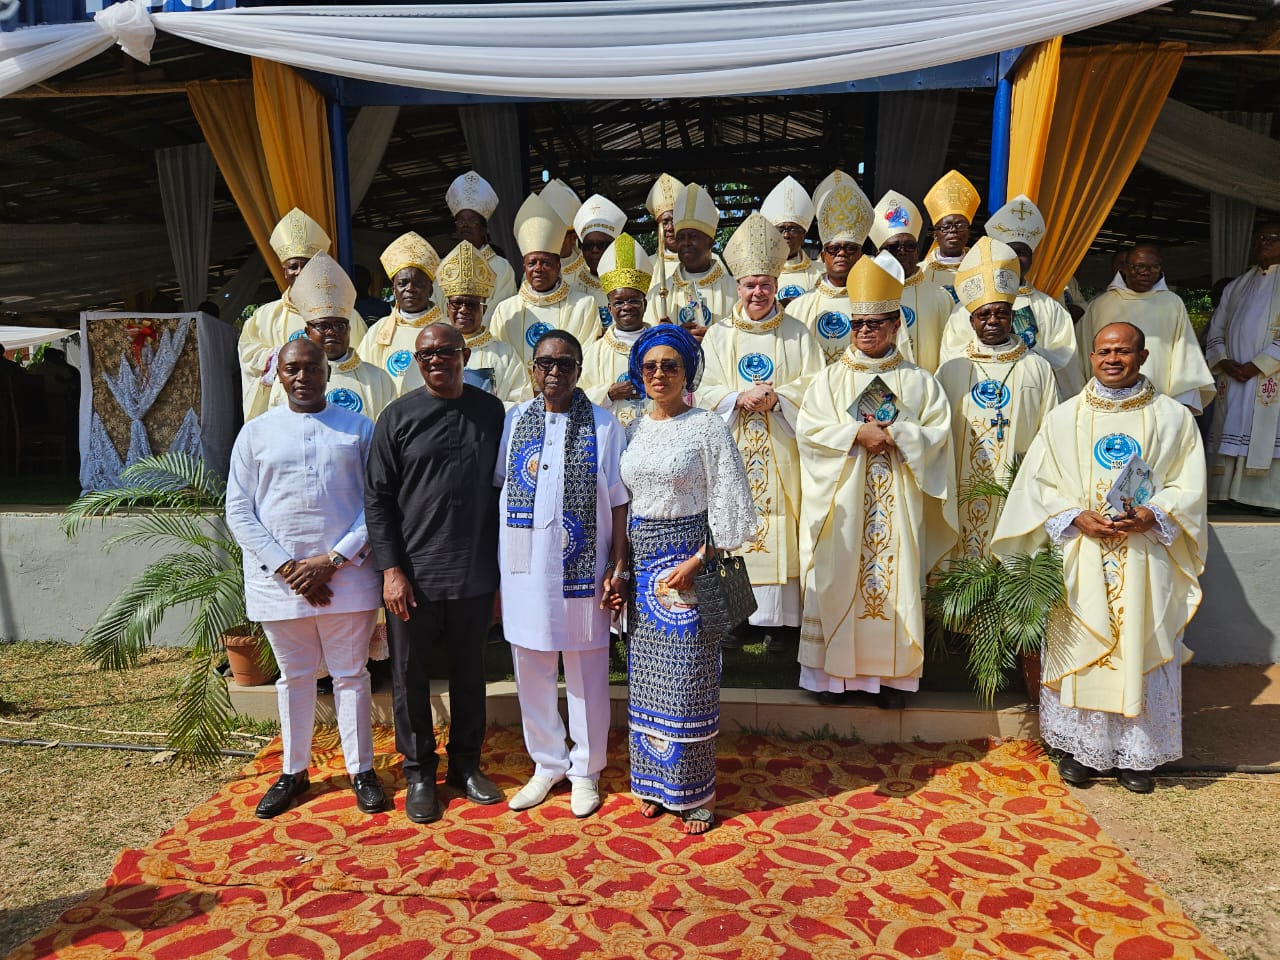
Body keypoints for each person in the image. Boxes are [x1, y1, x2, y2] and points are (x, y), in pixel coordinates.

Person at [992, 322, 1207, 793]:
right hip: (1082, 555)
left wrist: (1156, 511)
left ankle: (1137, 755)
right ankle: (1079, 750)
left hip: (1144, 557)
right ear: (1091, 357)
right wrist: (1074, 516)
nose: (1113, 359)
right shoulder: (1064, 418)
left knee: (1138, 645)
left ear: (1143, 356)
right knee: (1084, 644)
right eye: (1105, 351)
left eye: (1124, 351)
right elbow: (1037, 486)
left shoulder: (1173, 418)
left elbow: (1189, 486)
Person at [226, 337, 385, 819]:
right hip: (280, 582)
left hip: (348, 578)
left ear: (327, 372)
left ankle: (361, 770)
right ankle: (294, 771)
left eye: (311, 368)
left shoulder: (358, 428)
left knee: (351, 676)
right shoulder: (255, 433)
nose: (302, 377)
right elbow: (239, 509)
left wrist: (332, 560)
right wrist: (287, 565)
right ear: (278, 374)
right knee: (294, 678)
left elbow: (376, 504)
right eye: (292, 368)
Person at [796, 253, 956, 709]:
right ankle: (832, 679)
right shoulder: (829, 381)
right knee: (836, 576)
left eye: (878, 323)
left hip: (898, 502)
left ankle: (894, 679)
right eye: (859, 324)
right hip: (843, 504)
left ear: (894, 324)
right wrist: (854, 433)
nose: (867, 331)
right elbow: (809, 432)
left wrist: (901, 434)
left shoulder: (919, 382)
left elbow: (937, 434)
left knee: (896, 579)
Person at [364, 322, 506, 823]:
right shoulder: (396, 418)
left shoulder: (490, 412)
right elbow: (377, 501)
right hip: (413, 576)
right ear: (417, 361)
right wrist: (390, 570)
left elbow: (502, 493)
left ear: (465, 353)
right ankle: (420, 772)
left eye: (446, 351)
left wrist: (502, 575)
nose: (436, 360)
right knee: (409, 676)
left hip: (473, 570)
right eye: (426, 354)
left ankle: (465, 767)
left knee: (472, 673)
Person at [619, 324, 757, 834]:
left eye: (670, 366)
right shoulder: (632, 427)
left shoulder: (707, 427)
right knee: (648, 682)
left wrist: (698, 560)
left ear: (687, 373)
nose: (659, 375)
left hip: (688, 565)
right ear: (638, 373)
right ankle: (655, 783)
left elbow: (731, 506)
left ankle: (696, 793)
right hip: (642, 566)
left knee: (690, 681)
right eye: (651, 367)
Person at [497, 330, 629, 818]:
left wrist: (619, 565)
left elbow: (618, 501)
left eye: (565, 364)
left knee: (586, 671)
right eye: (545, 363)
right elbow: (501, 485)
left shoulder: (604, 425)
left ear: (578, 370)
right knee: (531, 667)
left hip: (584, 570)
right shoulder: (514, 421)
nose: (554, 372)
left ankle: (586, 771)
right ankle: (547, 763)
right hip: (524, 570)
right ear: (533, 369)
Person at [699, 212, 824, 650]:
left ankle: (782, 624)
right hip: (733, 446)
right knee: (734, 524)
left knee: (783, 525)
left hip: (782, 448)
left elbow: (816, 385)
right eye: (750, 285)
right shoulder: (718, 335)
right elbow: (703, 388)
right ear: (738, 287)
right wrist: (736, 398)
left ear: (776, 285)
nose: (758, 292)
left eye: (765, 285)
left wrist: (779, 397)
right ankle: (738, 619)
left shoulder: (798, 333)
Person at [935, 238, 1059, 561]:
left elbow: (1052, 436)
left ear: (1012, 316)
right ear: (971, 320)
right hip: (962, 489)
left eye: (1001, 313)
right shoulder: (952, 369)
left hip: (1015, 492)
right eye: (984, 314)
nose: (992, 321)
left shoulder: (1037, 368)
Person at [237, 207, 369, 421]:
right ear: (284, 271)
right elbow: (247, 354)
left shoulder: (344, 313)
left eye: (306, 265)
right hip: (283, 405)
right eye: (293, 266)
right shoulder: (264, 316)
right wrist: (281, 355)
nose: (299, 272)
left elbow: (362, 357)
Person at [942, 195, 1081, 396]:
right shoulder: (969, 305)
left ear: (1032, 257)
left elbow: (1066, 358)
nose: (1016, 258)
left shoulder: (1051, 308)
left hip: (1031, 391)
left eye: (1023, 251)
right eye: (1010, 251)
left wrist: (1024, 355)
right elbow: (951, 355)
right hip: (978, 391)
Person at [1077, 243, 1214, 413]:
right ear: (1125, 268)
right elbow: (1083, 353)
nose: (1146, 272)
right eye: (1139, 266)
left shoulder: (1172, 303)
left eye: (1153, 267)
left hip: (1159, 400)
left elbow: (1185, 353)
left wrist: (1181, 401)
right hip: (1106, 401)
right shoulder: (1101, 305)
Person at [1206, 222, 1280, 511]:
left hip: (1269, 379)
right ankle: (1228, 493)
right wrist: (1223, 359)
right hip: (1234, 376)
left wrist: (1258, 365)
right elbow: (1217, 326)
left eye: (1273, 238)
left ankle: (1266, 497)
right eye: (1261, 238)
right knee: (1231, 431)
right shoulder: (1238, 284)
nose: (1265, 242)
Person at [268, 253, 397, 420]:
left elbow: (387, 432)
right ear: (308, 332)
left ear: (349, 329)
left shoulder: (378, 379)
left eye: (339, 325)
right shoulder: (293, 380)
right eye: (323, 326)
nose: (331, 332)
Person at [399, 240, 528, 406]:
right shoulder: (429, 353)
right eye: (457, 304)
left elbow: (520, 403)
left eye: (472, 304)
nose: (464, 310)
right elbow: (411, 401)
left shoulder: (505, 354)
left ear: (484, 309)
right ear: (447, 308)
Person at [490, 193, 601, 369]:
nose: (538, 269)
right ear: (524, 267)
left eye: (546, 263)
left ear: (558, 266)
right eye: (532, 263)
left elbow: (587, 357)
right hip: (520, 396)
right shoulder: (505, 311)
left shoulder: (584, 306)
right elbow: (500, 362)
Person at [787, 171, 874, 364]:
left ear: (861, 255)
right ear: (823, 255)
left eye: (850, 248)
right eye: (834, 249)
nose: (842, 254)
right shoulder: (799, 307)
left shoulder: (879, 305)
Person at [868, 189, 956, 374]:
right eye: (893, 247)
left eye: (909, 246)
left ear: (917, 251)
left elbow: (951, 351)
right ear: (879, 253)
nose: (902, 251)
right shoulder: (867, 295)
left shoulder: (940, 296)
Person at [644, 182, 737, 337]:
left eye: (693, 236)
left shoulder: (734, 291)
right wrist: (665, 336)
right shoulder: (657, 294)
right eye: (680, 237)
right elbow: (647, 344)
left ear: (711, 241)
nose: (686, 242)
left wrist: (712, 338)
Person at [580, 233, 653, 427]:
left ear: (644, 304)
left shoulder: (661, 344)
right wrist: (609, 393)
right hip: (613, 440)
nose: (626, 307)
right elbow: (577, 399)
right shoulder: (595, 352)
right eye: (619, 302)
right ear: (609, 308)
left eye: (633, 301)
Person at [357, 232, 444, 394]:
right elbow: (364, 378)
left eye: (418, 283)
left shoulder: (446, 329)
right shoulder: (378, 331)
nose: (410, 289)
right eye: (403, 283)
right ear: (394, 291)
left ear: (431, 290)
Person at [445, 170, 517, 322]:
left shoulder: (502, 268)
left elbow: (503, 310)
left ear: (484, 229)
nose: (465, 226)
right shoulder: (443, 265)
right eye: (460, 221)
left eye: (472, 221)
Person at [920, 170, 981, 303]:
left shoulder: (981, 267)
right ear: (935, 235)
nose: (953, 231)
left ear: (969, 232)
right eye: (946, 227)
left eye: (960, 225)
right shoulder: (921, 272)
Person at [572, 193, 629, 332]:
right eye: (588, 246)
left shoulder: (630, 285)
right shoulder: (573, 290)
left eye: (602, 245)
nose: (595, 251)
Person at [760, 175, 821, 304]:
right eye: (781, 230)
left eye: (793, 229)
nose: (786, 235)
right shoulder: (759, 273)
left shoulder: (821, 273)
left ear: (803, 236)